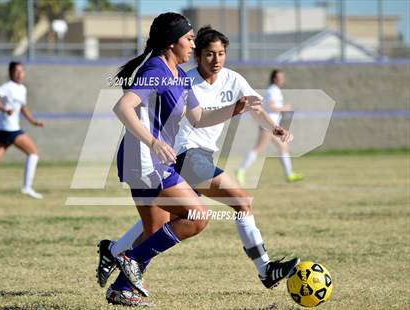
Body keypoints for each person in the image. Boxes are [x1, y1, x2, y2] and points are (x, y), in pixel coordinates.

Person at [97, 25, 300, 307]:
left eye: (221, 54)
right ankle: (265, 270)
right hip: (183, 156)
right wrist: (152, 141)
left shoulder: (221, 79)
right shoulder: (176, 76)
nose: (215, 59)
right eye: (206, 52)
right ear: (193, 54)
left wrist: (273, 127)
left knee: (159, 225)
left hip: (181, 159)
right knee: (234, 202)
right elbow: (127, 106)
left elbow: (224, 113)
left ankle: (117, 256)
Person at [235, 69, 304, 185]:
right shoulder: (273, 90)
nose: (281, 80)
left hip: (273, 126)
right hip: (268, 125)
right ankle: (241, 170)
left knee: (283, 147)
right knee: (258, 149)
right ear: (274, 78)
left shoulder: (276, 90)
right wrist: (284, 108)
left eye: (282, 77)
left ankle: (289, 174)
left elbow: (272, 108)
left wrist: (282, 111)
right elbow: (271, 107)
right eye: (279, 77)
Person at [0, 61, 44, 199]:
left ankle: (27, 187)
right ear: (11, 73)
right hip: (10, 130)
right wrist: (3, 109)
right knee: (33, 153)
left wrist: (32, 121)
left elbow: (23, 107)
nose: (20, 74)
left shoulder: (22, 89)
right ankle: (26, 188)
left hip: (4, 130)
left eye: (22, 71)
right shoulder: (8, 87)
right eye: (17, 71)